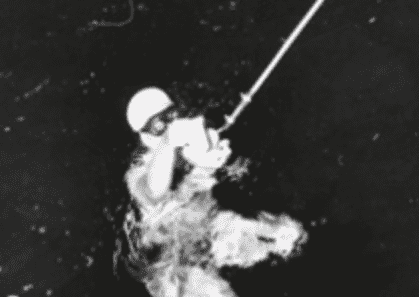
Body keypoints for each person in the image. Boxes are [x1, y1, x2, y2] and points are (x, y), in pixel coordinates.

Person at [121, 88, 307, 297]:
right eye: (158, 125)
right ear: (144, 135)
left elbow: (218, 172)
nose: (168, 125)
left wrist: (219, 161)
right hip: (171, 260)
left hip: (210, 228)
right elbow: (154, 191)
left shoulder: (192, 147)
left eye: (170, 115)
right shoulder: (137, 175)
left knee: (289, 234)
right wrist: (169, 141)